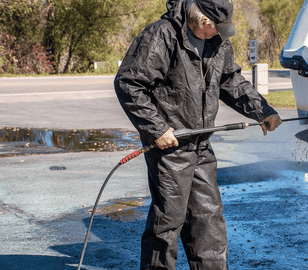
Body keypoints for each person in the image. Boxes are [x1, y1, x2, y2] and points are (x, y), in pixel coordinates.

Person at [114, 0, 282, 269]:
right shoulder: (162, 35)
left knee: (209, 218)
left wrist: (262, 110)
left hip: (201, 145)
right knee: (167, 223)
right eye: (218, 28)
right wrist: (156, 129)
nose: (222, 34)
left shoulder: (217, 41)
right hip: (169, 149)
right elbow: (129, 83)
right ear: (204, 23)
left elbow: (230, 80)